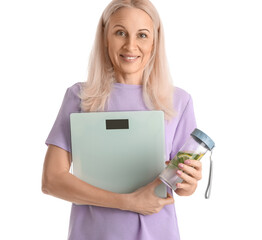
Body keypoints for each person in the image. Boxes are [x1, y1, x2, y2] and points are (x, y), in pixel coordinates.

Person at [42, 0, 202, 239]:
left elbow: (181, 187)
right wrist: (127, 202)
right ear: (105, 38)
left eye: (142, 35)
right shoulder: (79, 98)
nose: (131, 45)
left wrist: (189, 183)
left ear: (154, 42)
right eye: (120, 33)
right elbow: (52, 180)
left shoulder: (178, 101)